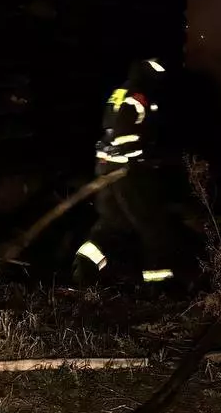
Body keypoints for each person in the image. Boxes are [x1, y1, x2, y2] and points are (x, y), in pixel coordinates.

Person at [72, 57, 188, 289]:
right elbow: (127, 136)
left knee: (111, 224)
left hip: (106, 168)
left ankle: (83, 272)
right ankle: (159, 284)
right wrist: (142, 157)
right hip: (126, 172)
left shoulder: (119, 93)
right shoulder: (138, 97)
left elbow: (110, 128)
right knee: (151, 223)